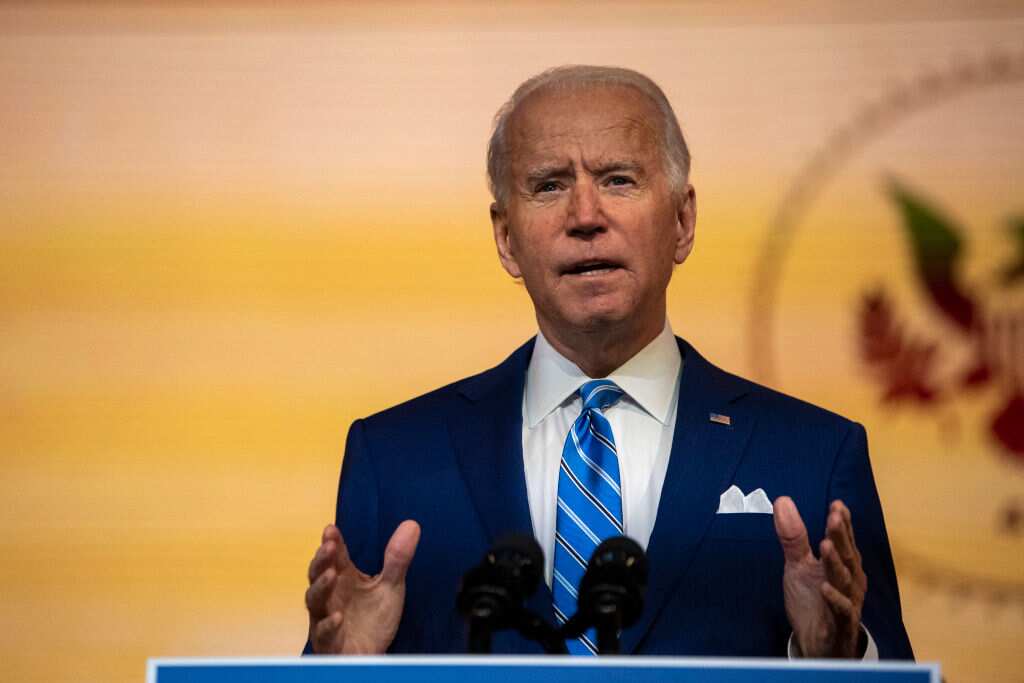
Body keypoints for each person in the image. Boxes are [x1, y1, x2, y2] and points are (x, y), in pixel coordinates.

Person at [303, 65, 914, 659]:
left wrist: (840, 661)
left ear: (682, 220)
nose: (586, 216)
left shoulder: (813, 455)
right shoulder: (395, 458)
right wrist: (335, 674)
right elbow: (337, 650)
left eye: (619, 179)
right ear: (506, 238)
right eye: (549, 185)